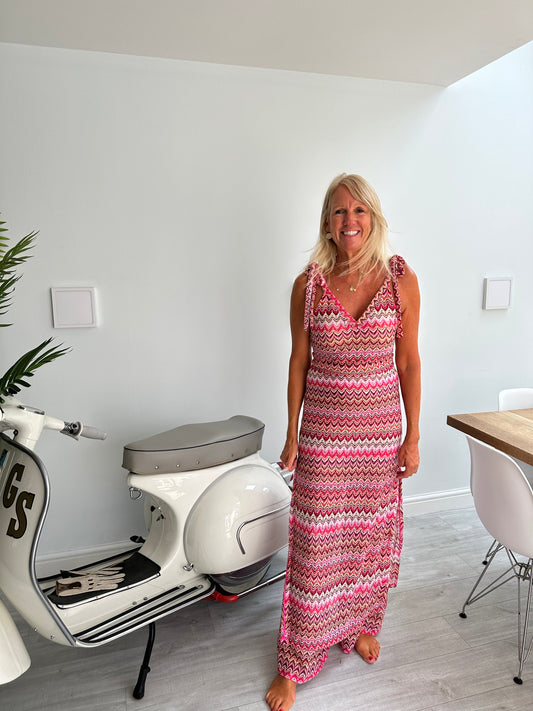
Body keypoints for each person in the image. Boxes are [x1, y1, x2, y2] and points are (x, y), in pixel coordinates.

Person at [266, 174, 421, 711]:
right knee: (316, 548)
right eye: (337, 212)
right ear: (326, 223)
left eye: (358, 210)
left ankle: (358, 626)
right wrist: (291, 432)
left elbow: (408, 363)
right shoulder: (308, 285)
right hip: (325, 442)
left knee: (365, 543)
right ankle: (294, 664)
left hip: (378, 441)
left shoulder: (400, 279)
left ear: (372, 217)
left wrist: (412, 436)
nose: (348, 221)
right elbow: (299, 364)